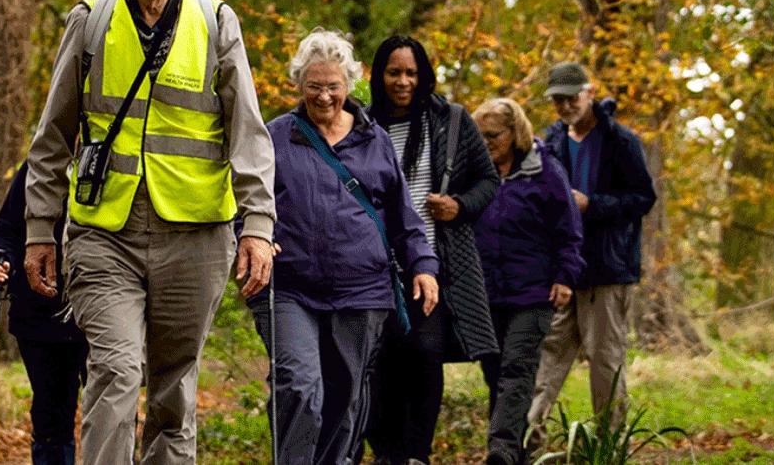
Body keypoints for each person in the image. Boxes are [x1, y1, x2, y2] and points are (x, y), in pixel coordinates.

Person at [22, 0, 276, 463]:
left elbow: (249, 135)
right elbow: (52, 135)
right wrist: (40, 228)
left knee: (173, 388)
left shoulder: (216, 21)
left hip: (196, 236)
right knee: (115, 368)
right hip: (103, 233)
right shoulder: (90, 21)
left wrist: (258, 224)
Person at [249, 29, 440, 465]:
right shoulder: (276, 137)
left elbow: (402, 216)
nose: (323, 97)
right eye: (313, 87)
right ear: (299, 85)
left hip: (362, 290)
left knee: (346, 398)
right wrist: (253, 237)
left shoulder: (375, 141)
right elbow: (246, 201)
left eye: (333, 87)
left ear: (350, 84)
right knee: (299, 384)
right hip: (290, 287)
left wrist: (424, 266)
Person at [362, 36, 501, 465]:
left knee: (424, 354)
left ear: (423, 76)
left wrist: (460, 206)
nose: (403, 81)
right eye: (394, 72)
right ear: (379, 75)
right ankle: (387, 452)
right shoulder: (362, 125)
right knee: (380, 360)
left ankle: (417, 454)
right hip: (373, 266)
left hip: (435, 264)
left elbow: (488, 181)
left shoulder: (452, 121)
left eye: (411, 73)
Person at [527, 62, 656, 448]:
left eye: (572, 97)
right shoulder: (550, 141)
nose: (565, 105)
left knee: (605, 362)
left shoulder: (620, 141)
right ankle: (525, 439)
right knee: (546, 356)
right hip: (562, 270)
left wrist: (592, 205)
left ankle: (608, 448)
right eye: (558, 99)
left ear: (590, 92)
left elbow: (643, 198)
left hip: (606, 268)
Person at [470, 98, 583, 465]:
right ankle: (511, 453)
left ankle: (500, 450)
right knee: (495, 375)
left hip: (533, 293)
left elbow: (568, 229)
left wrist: (566, 276)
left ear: (514, 132)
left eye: (493, 135)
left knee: (517, 370)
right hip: (486, 293)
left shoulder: (545, 171)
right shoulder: (475, 173)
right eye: (479, 135)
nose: (485, 142)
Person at [0, 161, 87, 465]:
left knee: (112, 405)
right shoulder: (36, 168)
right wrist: (1, 259)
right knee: (50, 413)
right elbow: (6, 230)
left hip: (100, 309)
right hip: (39, 315)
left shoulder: (118, 160)